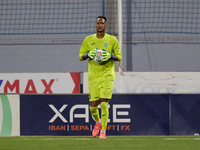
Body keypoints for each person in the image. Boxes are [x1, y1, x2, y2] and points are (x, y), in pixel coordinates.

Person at [79, 16, 122, 139]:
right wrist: (87, 54)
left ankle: (103, 131)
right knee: (92, 106)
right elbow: (80, 56)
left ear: (106, 25)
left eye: (102, 23)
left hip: (107, 75)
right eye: (98, 23)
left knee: (104, 104)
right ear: (95, 25)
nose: (100, 25)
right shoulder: (88, 40)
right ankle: (97, 122)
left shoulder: (112, 40)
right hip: (93, 77)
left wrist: (109, 56)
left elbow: (119, 57)